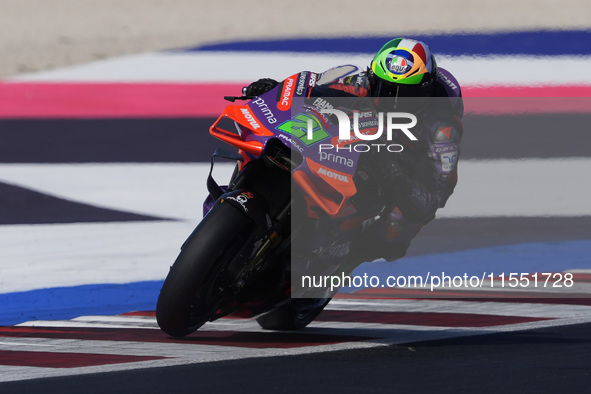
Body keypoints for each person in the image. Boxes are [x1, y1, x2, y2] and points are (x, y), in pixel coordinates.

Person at [244, 37, 463, 272]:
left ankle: (335, 271)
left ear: (427, 93)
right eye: (387, 90)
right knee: (264, 140)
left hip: (401, 170)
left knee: (395, 232)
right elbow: (308, 87)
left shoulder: (441, 130)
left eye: (408, 95)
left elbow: (430, 201)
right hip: (343, 144)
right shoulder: (356, 79)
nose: (396, 102)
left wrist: (396, 177)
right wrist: (274, 90)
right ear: (373, 76)